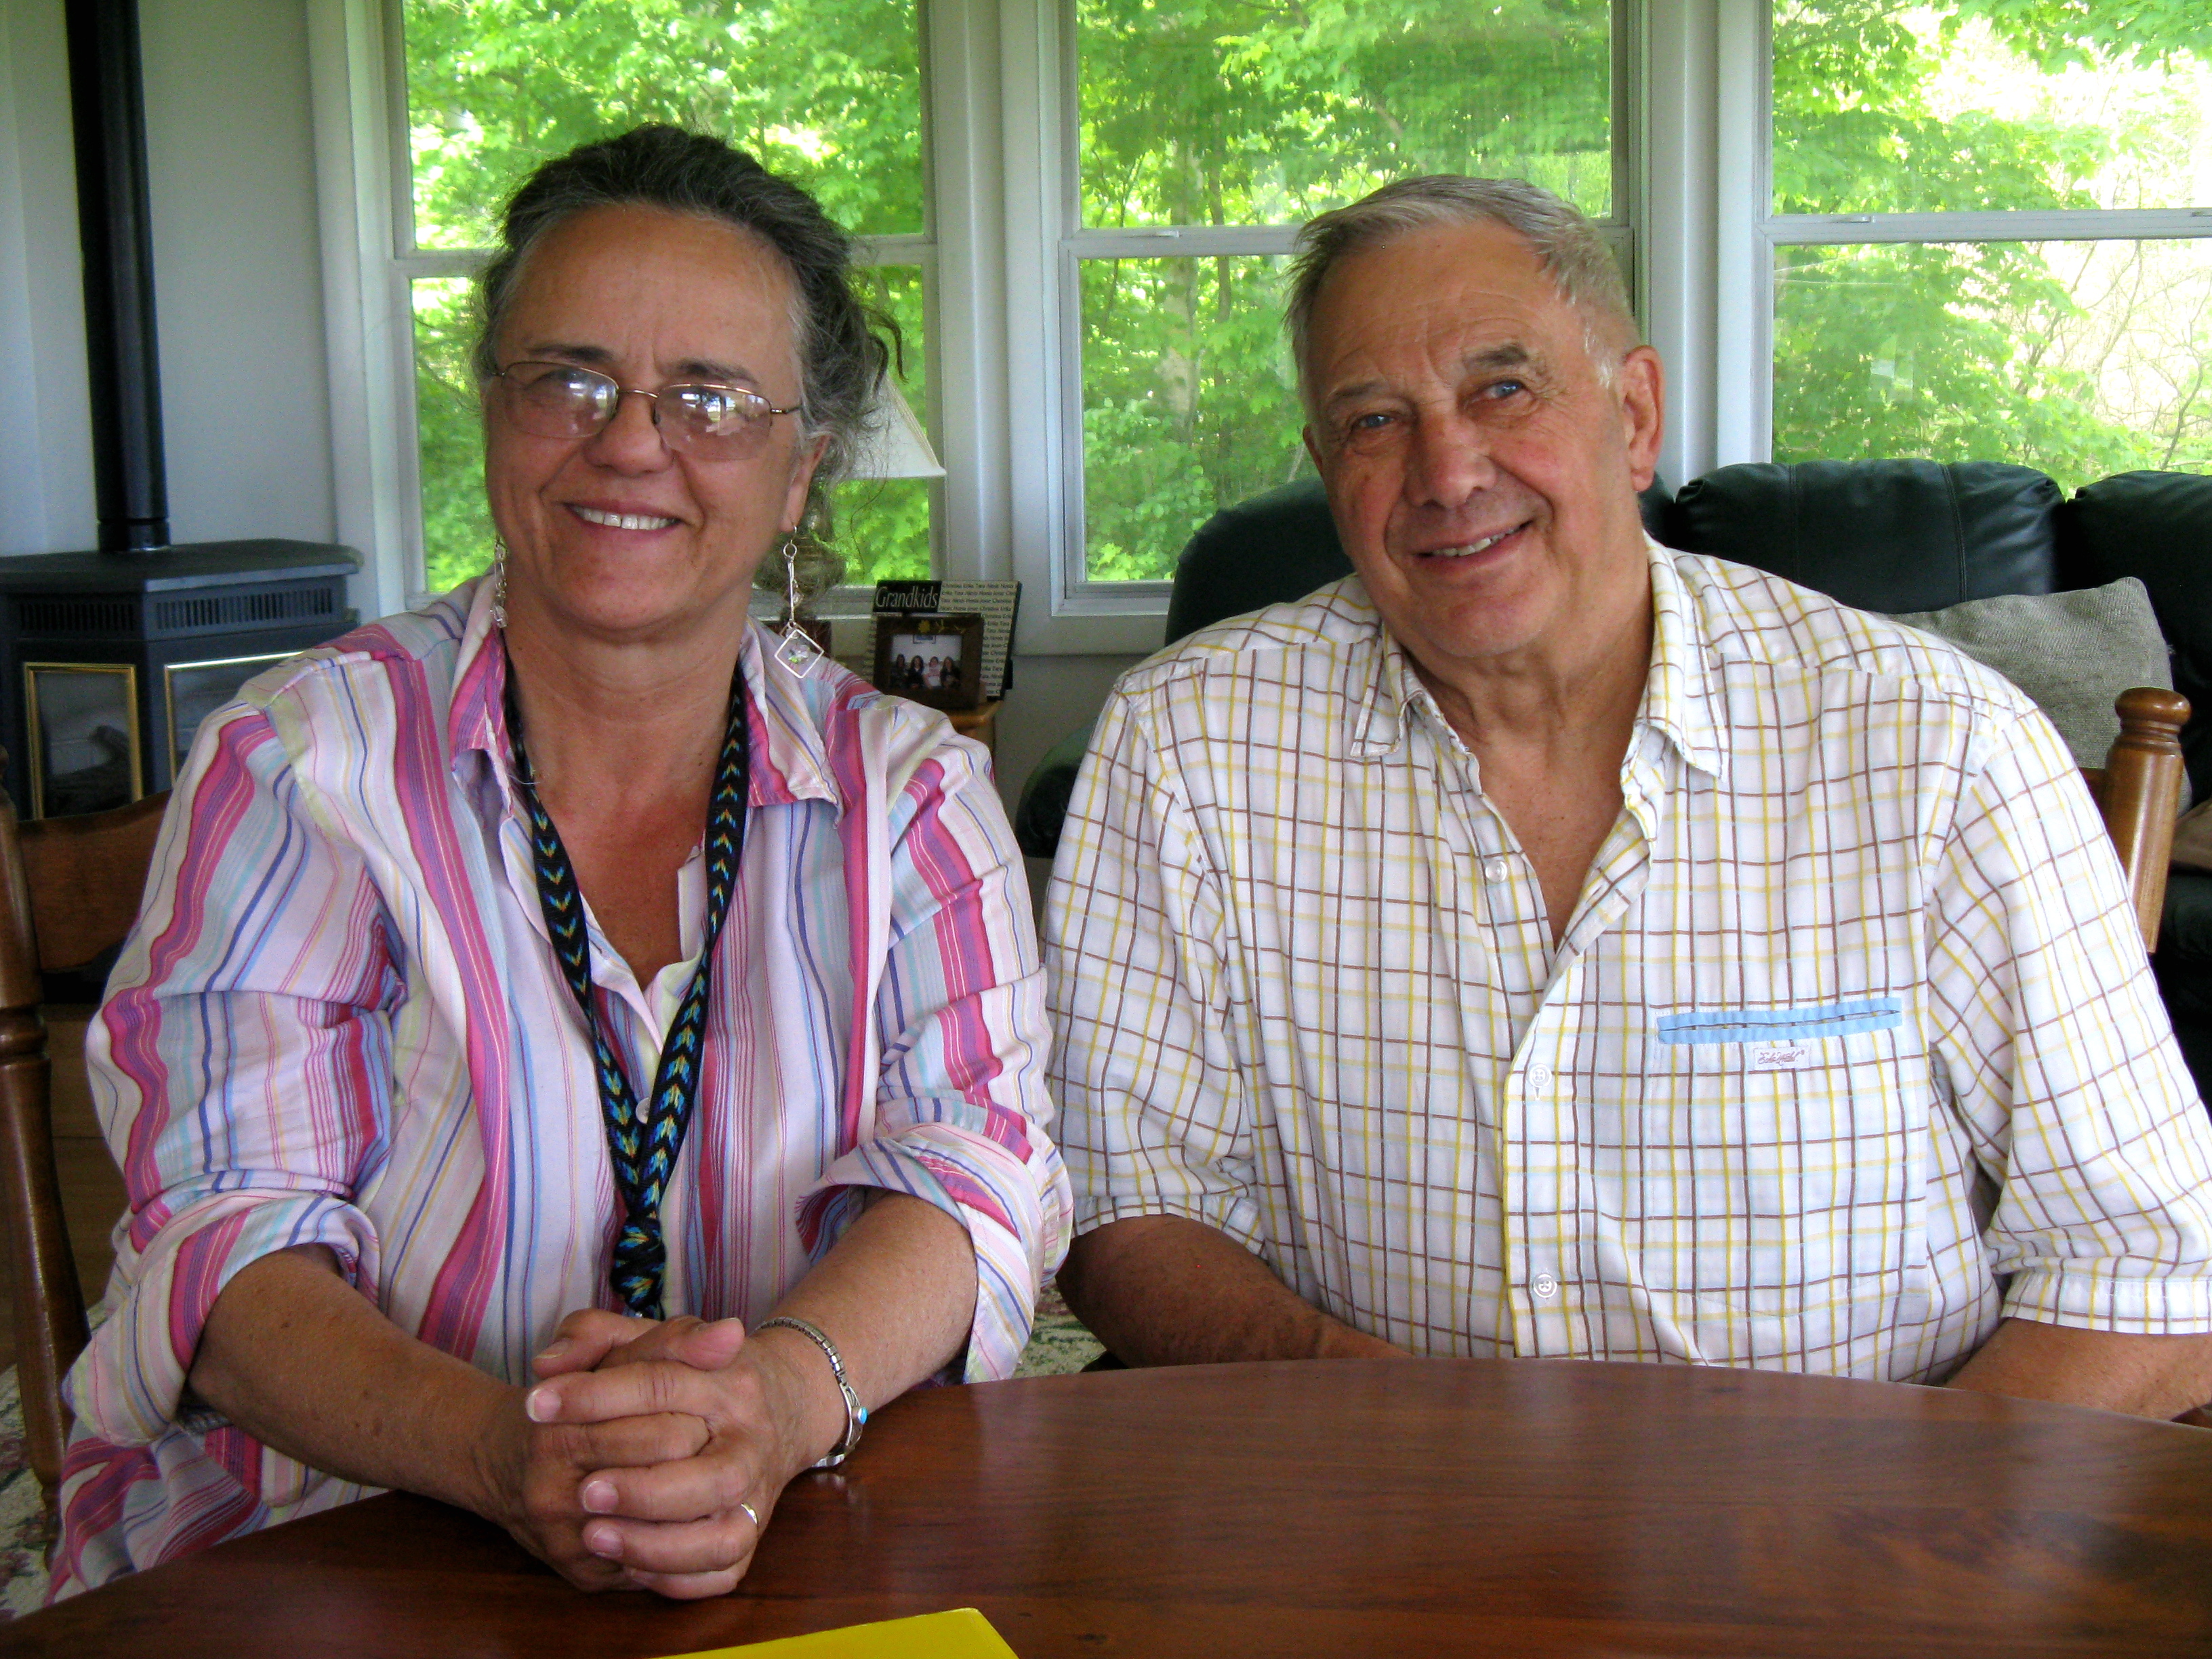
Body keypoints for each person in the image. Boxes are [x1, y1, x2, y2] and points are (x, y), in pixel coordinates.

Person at [56, 125, 1071, 1599]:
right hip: (324, 1548)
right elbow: (225, 1238)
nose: (632, 442)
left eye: (710, 398)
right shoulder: (296, 765)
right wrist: (505, 1455)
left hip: (792, 1533)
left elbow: (974, 1178)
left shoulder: (916, 793)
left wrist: (775, 1403)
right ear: (493, 410)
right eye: (569, 379)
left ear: (802, 472)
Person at [1046, 175, 2212, 1416]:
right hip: (1367, 1494)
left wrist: (1896, 1523)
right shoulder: (1187, 743)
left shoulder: (1940, 748)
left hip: (1861, 1514)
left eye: (1504, 389)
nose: (1447, 472)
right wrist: (1401, 1437)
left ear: (1635, 413)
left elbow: (2150, 1274)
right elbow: (1124, 1202)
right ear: (1329, 469)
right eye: (1375, 419)